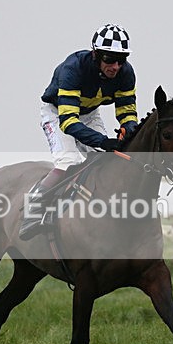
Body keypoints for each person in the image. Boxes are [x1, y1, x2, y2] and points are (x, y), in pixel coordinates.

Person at [18, 23, 139, 240]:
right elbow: (69, 123)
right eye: (109, 59)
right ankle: (32, 210)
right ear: (96, 55)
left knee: (106, 160)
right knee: (68, 161)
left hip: (89, 113)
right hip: (58, 113)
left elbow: (127, 112)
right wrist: (104, 140)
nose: (115, 66)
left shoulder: (126, 73)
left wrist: (128, 132)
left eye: (121, 60)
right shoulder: (73, 68)